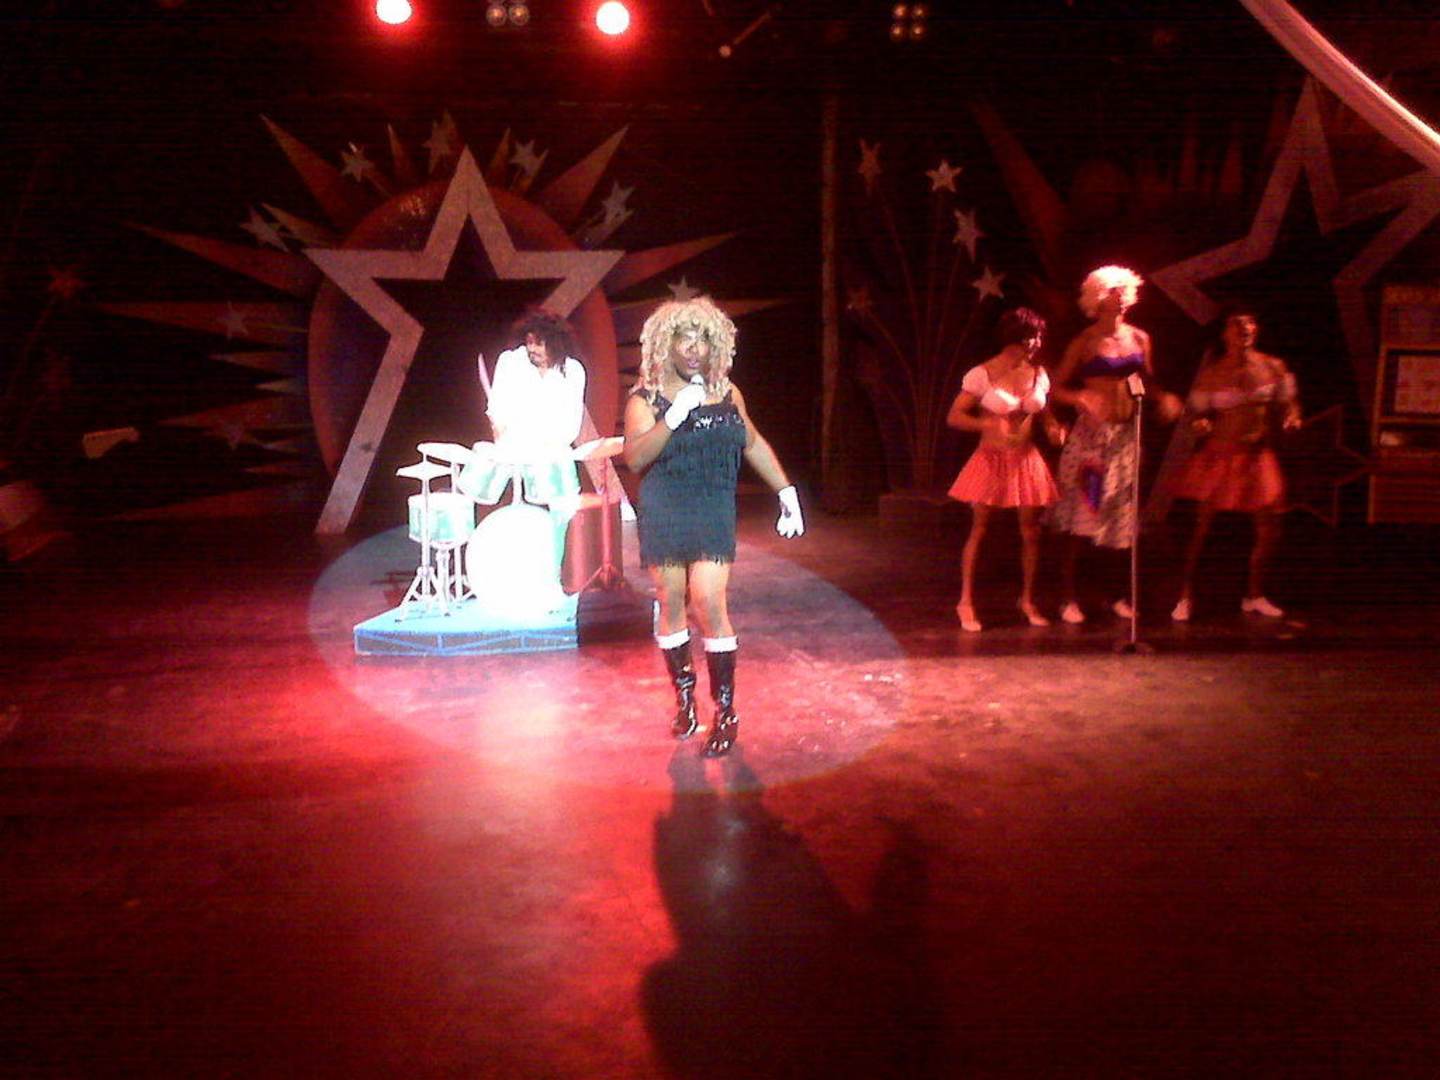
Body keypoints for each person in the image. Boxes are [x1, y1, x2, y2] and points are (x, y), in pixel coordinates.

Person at [623, 296, 804, 758]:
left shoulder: (727, 392)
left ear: (715, 344)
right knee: (671, 601)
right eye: (683, 338)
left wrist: (785, 491)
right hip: (666, 507)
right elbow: (636, 457)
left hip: (713, 505)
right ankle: (685, 699)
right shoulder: (645, 398)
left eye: (702, 339)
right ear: (665, 344)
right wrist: (672, 417)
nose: (693, 349)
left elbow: (752, 442)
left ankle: (726, 712)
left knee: (708, 600)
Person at [1049, 265, 1181, 624]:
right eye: (1111, 291)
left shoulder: (1140, 338)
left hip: (1125, 440)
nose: (1119, 296)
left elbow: (1145, 381)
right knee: (1084, 517)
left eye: (1123, 289)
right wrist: (1079, 397)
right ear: (1097, 298)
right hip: (1092, 443)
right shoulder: (1086, 341)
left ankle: (1117, 595)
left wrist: (1162, 397)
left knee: (1120, 521)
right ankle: (1067, 597)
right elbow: (1055, 388)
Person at [1170, 305, 1301, 621]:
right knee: (1200, 528)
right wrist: (1200, 424)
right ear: (1224, 333)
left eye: (1250, 322)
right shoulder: (1212, 373)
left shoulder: (1273, 366)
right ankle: (1184, 594)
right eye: (1236, 324)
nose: (1244, 328)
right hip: (1220, 456)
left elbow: (1289, 403)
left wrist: (1292, 416)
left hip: (1257, 457)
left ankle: (1254, 595)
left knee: (1269, 528)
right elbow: (1195, 414)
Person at [945, 307, 1064, 632]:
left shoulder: (1038, 373)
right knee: (980, 529)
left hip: (1026, 460)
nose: (1038, 343)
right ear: (1018, 339)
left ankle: (1027, 600)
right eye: (1034, 337)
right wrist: (986, 423)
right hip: (991, 459)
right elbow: (954, 416)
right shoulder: (983, 373)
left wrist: (1054, 429)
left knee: (1031, 532)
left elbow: (1045, 415)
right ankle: (965, 601)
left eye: (1039, 337)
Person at [480, 310, 587, 569]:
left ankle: (553, 570)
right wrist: (505, 440)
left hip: (552, 457)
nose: (532, 348)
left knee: (560, 517)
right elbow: (497, 411)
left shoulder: (573, 371)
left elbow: (570, 425)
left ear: (556, 343)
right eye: (529, 342)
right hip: (512, 457)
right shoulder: (511, 362)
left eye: (539, 343)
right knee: (502, 514)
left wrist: (543, 443)